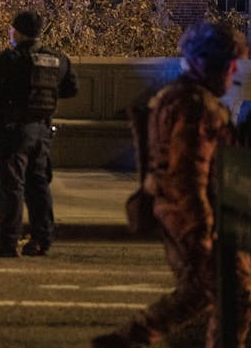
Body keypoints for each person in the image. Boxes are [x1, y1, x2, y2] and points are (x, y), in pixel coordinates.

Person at [93, 22, 251, 348]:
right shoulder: (193, 106)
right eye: (228, 65)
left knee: (204, 292)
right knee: (233, 291)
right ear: (207, 64)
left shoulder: (182, 98)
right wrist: (201, 231)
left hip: (188, 215)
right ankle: (130, 338)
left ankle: (129, 338)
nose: (234, 73)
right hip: (191, 218)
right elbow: (186, 176)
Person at [0, 10, 78, 257]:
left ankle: (8, 243)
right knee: (39, 186)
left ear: (19, 32)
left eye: (13, 29)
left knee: (11, 187)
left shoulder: (11, 59)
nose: (10, 33)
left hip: (13, 132)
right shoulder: (58, 59)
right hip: (42, 131)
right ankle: (41, 239)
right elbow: (71, 89)